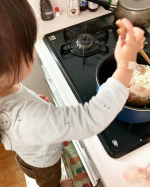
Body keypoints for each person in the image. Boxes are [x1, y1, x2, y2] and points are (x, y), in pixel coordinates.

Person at [0, 0, 145, 187]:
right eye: (28, 46)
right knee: (48, 180)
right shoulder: (25, 118)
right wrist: (126, 65)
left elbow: (19, 106)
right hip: (42, 164)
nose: (33, 49)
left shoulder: (6, 89)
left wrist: (34, 104)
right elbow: (91, 119)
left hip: (29, 150)